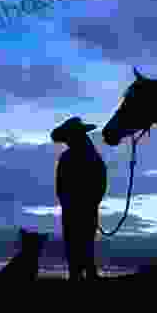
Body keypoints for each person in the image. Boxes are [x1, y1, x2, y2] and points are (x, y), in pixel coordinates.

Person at [50, 116, 107, 281]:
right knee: (81, 242)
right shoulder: (88, 157)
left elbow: (60, 186)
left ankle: (82, 274)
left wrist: (85, 202)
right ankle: (83, 274)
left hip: (78, 208)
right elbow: (100, 183)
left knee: (79, 242)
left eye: (69, 138)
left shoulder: (74, 157)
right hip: (77, 208)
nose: (67, 142)